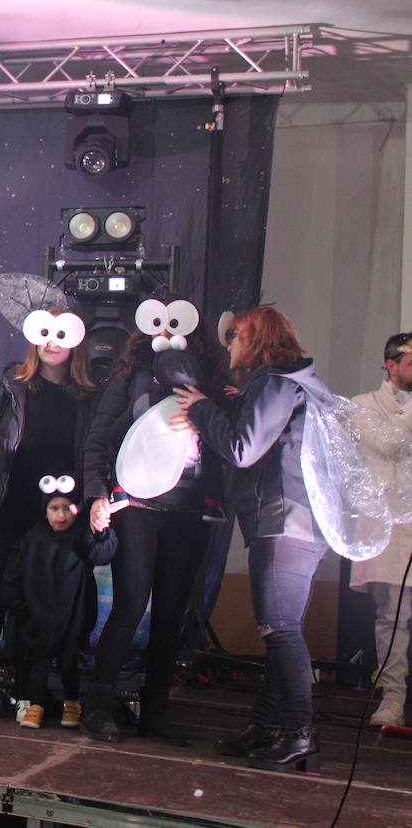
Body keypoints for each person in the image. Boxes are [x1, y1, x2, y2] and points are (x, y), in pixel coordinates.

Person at [177, 306, 329, 772]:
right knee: (278, 630)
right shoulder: (293, 382)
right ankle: (269, 727)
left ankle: (298, 734)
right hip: (294, 521)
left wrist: (201, 410)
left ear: (257, 339)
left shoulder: (276, 382)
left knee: (280, 630)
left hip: (284, 522)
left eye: (236, 337)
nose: (230, 346)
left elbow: (243, 449)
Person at [81, 294, 228, 745]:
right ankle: (98, 705)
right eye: (158, 325)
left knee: (171, 614)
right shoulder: (129, 378)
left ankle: (156, 711)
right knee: (130, 604)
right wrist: (95, 495)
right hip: (138, 507)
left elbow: (232, 439)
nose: (167, 332)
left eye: (176, 324)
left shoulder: (212, 384)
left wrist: (207, 413)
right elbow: (99, 439)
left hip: (189, 510)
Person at [0, 307, 98, 716]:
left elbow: (92, 453)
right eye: (45, 334)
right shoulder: (11, 384)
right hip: (4, 505)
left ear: (75, 342)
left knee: (39, 601)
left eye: (61, 336)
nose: (52, 343)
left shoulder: (87, 396)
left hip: (53, 518)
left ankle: (28, 693)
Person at [1, 476, 117, 729]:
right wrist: (20, 607)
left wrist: (100, 530)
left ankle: (72, 704)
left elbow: (102, 553)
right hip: (38, 614)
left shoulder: (81, 537)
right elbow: (13, 574)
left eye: (68, 508)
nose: (61, 515)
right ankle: (36, 705)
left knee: (68, 661)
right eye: (54, 508)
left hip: (72, 616)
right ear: (45, 510)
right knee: (38, 661)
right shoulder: (32, 537)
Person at [350, 331, 412, 727]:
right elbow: (391, 444)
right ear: (392, 365)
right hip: (390, 528)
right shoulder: (363, 406)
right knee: (394, 615)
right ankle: (393, 698)